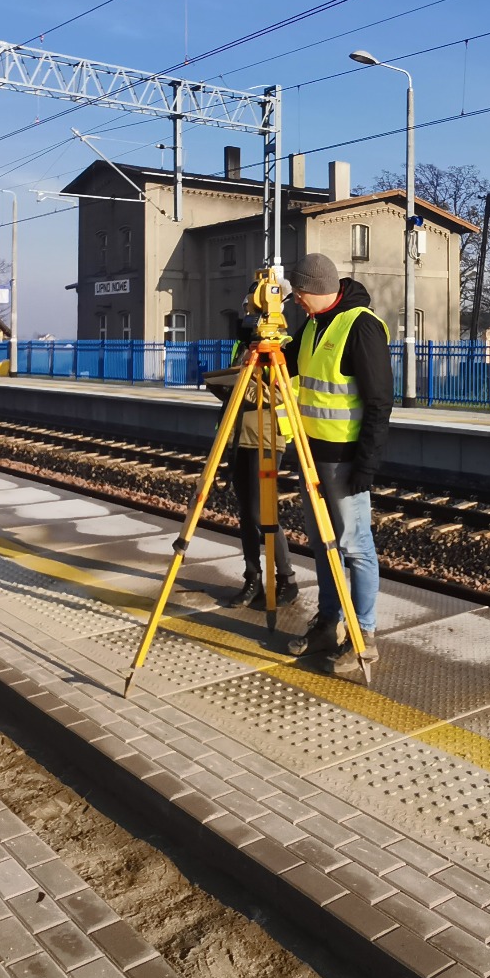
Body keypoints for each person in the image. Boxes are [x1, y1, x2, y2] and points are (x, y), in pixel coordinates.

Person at [287, 252, 391, 669]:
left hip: (345, 461)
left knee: (355, 546)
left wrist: (366, 466)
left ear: (312, 290)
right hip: (312, 455)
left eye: (297, 294)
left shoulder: (361, 326)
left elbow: (380, 402)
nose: (294, 301)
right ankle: (329, 621)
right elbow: (290, 362)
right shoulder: (313, 324)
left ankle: (363, 633)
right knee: (323, 544)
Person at [204, 317, 297, 610]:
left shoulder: (284, 348)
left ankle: (286, 579)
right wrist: (224, 386)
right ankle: (253, 578)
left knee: (263, 513)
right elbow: (238, 382)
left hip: (267, 439)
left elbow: (280, 394)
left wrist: (241, 388)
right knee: (246, 513)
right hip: (239, 437)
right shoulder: (245, 347)